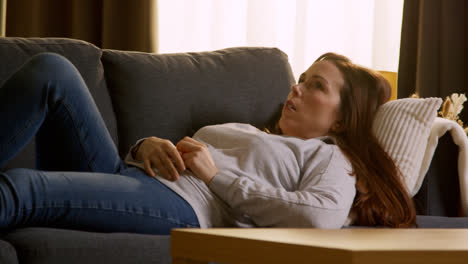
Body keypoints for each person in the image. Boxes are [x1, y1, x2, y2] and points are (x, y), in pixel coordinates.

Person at [0, 52, 415, 235]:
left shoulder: (332, 156)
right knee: (52, 70)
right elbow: (160, 158)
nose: (298, 88)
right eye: (301, 78)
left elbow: (320, 217)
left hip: (187, 206)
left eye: (316, 86)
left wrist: (217, 177)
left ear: (342, 118)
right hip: (138, 175)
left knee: (22, 188)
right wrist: (145, 146)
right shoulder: (256, 133)